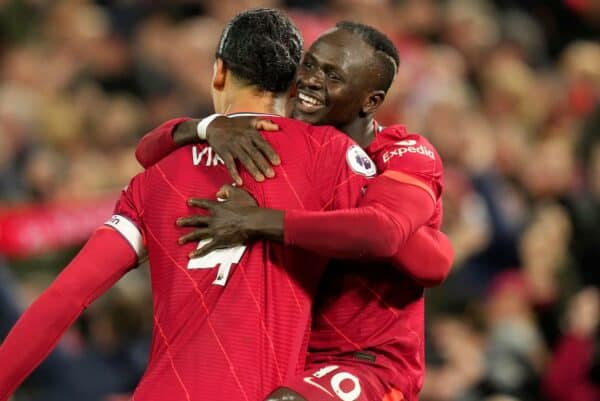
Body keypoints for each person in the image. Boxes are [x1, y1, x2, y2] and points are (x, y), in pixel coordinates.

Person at [0, 9, 378, 401]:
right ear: (295, 84)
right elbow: (398, 258)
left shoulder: (159, 177)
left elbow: (65, 297)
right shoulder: (332, 159)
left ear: (219, 73)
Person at [135, 22, 452, 401]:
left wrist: (256, 221)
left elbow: (384, 233)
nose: (311, 81)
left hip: (368, 364)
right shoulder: (284, 140)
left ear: (370, 101)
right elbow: (147, 153)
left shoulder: (403, 153)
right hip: (288, 359)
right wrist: (203, 127)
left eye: (332, 76)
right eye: (310, 66)